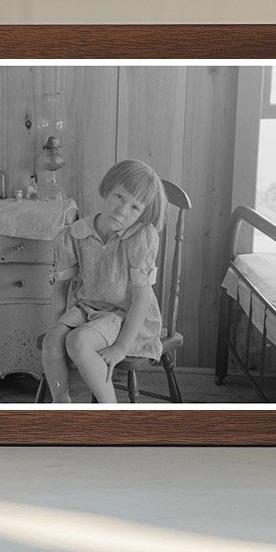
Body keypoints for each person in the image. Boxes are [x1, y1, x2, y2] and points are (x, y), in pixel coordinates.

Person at [42, 159, 166, 403]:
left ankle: (110, 413)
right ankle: (61, 402)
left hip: (124, 314)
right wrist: (58, 325)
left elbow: (141, 300)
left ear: (142, 214)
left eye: (134, 207)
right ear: (108, 188)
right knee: (52, 341)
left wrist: (121, 347)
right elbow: (62, 287)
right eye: (119, 196)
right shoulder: (77, 233)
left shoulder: (139, 238)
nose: (122, 209)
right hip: (86, 308)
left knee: (78, 341)